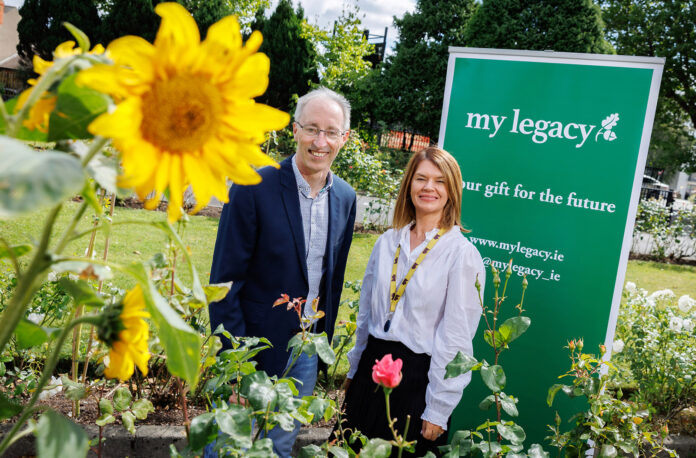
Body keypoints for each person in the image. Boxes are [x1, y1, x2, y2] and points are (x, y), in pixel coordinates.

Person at [209, 87, 357, 457]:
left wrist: (320, 345)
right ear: (295, 130)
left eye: (331, 132)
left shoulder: (345, 197)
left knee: (278, 447)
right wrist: (235, 364)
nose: (320, 142)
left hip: (305, 350)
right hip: (252, 347)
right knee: (230, 446)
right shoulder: (253, 188)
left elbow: (333, 281)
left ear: (344, 138)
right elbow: (224, 283)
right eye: (312, 129)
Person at [341, 146, 485, 456]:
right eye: (421, 178)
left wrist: (438, 408)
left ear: (452, 190)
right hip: (371, 369)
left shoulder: (461, 254)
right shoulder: (387, 242)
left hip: (418, 382)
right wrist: (354, 369)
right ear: (409, 184)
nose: (429, 187)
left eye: (440, 181)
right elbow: (366, 314)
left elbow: (456, 337)